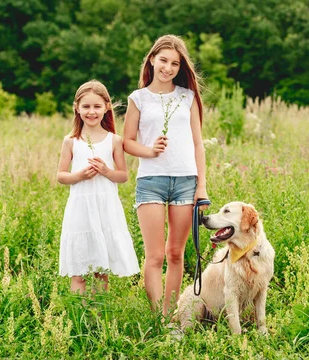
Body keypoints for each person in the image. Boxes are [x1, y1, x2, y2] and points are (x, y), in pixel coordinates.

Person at [123, 35, 209, 315]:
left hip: (186, 182)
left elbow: (198, 144)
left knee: (175, 254)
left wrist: (202, 187)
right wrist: (148, 151)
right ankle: (157, 318)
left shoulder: (188, 97)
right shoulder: (138, 98)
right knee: (155, 255)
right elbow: (127, 141)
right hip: (151, 182)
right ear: (152, 59)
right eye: (163, 61)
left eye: (175, 63)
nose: (168, 68)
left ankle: (171, 318)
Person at [57, 80, 139, 293]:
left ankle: (98, 320)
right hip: (80, 210)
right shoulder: (71, 141)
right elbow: (61, 175)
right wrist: (79, 175)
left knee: (101, 271)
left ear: (106, 108)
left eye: (96, 106)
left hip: (105, 209)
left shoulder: (113, 140)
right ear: (77, 107)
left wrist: (106, 171)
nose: (91, 112)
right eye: (86, 106)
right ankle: (78, 318)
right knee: (79, 270)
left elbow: (122, 176)